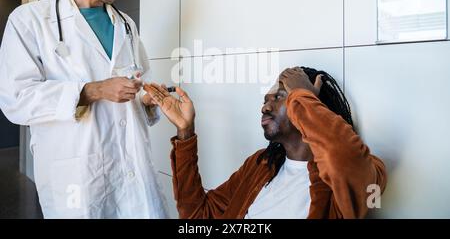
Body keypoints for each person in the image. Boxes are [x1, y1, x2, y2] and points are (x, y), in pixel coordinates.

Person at [0, 0, 168, 218]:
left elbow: (134, 89)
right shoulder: (30, 20)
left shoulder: (126, 25)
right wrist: (95, 90)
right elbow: (16, 99)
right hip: (77, 178)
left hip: (132, 171)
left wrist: (147, 100)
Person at [144, 67, 387, 218]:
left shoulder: (365, 174)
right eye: (266, 99)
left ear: (312, 101)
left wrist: (303, 97)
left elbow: (345, 156)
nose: (265, 106)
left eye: (280, 97)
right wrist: (185, 131)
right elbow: (198, 215)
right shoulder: (262, 164)